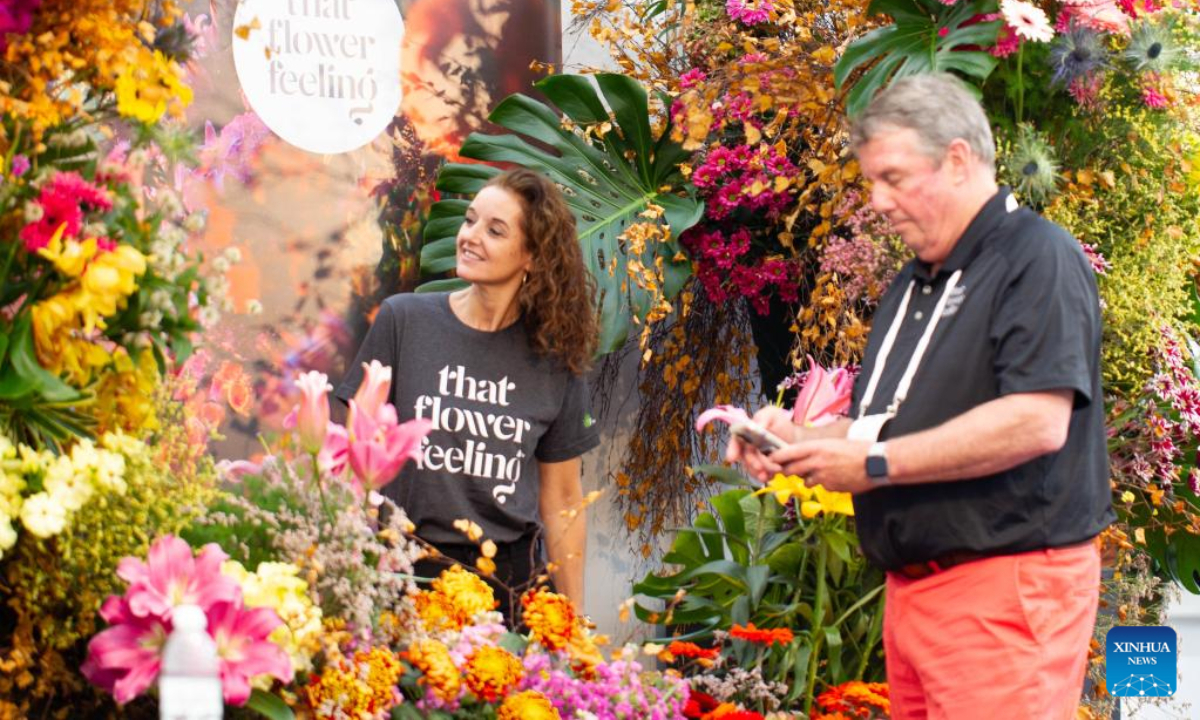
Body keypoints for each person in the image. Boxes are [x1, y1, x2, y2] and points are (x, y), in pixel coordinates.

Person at [729, 73, 1114, 719]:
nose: (878, 200)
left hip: (1004, 587)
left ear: (958, 159)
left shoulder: (1036, 255)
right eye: (871, 181)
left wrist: (874, 468)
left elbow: (1036, 420)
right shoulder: (916, 281)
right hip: (916, 594)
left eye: (894, 177)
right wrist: (796, 441)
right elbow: (886, 425)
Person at [336, 167, 599, 622]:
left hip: (508, 590)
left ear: (532, 257)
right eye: (470, 220)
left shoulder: (556, 357)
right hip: (405, 572)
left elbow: (562, 501)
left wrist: (575, 627)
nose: (470, 236)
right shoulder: (405, 322)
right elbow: (352, 454)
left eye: (495, 230)